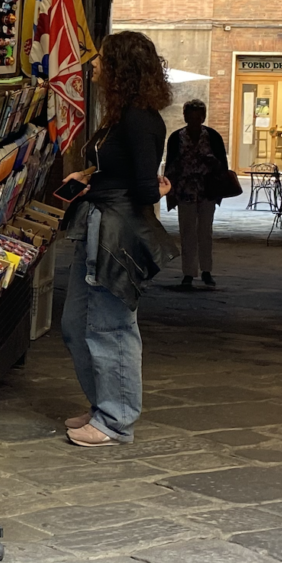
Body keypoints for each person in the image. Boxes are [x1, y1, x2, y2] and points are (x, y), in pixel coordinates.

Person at [59, 31, 178, 447]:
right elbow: (121, 170)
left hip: (115, 232)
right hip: (97, 222)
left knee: (111, 325)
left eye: (101, 59)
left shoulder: (139, 119)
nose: (93, 64)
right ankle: (101, 404)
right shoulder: (120, 114)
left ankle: (115, 419)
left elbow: (145, 186)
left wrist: (162, 189)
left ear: (119, 68)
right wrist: (88, 177)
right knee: (76, 322)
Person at [163, 98, 230, 290]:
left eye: (198, 117)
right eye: (190, 116)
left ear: (203, 117)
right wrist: (170, 190)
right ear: (185, 117)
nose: (194, 120)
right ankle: (189, 272)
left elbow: (222, 165)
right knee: (187, 232)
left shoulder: (213, 137)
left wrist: (217, 181)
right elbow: (171, 165)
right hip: (184, 190)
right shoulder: (176, 138)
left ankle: (206, 270)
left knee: (205, 231)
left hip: (207, 190)